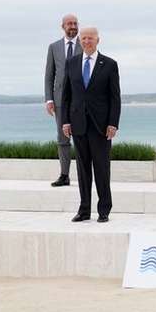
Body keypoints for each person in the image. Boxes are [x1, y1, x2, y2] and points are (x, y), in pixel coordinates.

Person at [61, 27, 121, 223]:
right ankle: (84, 209)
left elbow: (115, 98)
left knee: (102, 169)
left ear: (98, 40)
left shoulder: (110, 64)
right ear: (80, 41)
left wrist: (113, 123)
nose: (87, 41)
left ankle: (104, 209)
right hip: (78, 124)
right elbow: (66, 95)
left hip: (101, 126)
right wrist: (65, 121)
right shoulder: (71, 63)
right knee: (82, 169)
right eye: (84, 38)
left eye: (91, 38)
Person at [44, 14, 82, 187]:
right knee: (62, 138)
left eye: (75, 23)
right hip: (59, 100)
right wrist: (48, 99)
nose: (72, 26)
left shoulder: (86, 44)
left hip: (80, 100)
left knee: (82, 137)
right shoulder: (54, 47)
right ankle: (64, 175)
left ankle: (84, 174)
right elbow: (49, 75)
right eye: (69, 24)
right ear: (63, 26)